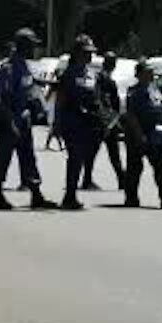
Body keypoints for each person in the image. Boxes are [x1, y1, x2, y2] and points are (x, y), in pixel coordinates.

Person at [0, 28, 56, 210]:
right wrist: (11, 121)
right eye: (32, 45)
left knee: (28, 157)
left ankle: (36, 194)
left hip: (23, 119)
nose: (34, 49)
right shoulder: (8, 67)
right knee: (3, 157)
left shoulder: (25, 66)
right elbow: (5, 96)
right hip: (9, 119)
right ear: (23, 46)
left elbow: (28, 87)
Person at [54, 35, 104, 210]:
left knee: (81, 158)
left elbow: (96, 98)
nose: (89, 56)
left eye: (91, 53)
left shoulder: (91, 74)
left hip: (88, 123)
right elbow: (61, 98)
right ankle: (70, 195)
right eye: (85, 53)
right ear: (77, 53)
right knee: (74, 157)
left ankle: (72, 192)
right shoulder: (69, 73)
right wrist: (57, 123)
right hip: (72, 120)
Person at [122, 61, 162, 209]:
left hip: (155, 134)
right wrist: (139, 134)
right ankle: (131, 197)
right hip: (138, 133)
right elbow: (131, 115)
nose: (151, 74)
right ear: (140, 74)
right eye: (148, 72)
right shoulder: (134, 91)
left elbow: (158, 110)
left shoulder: (154, 89)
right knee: (135, 167)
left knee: (161, 165)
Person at [83, 52, 125, 190]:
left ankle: (87, 179)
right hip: (107, 121)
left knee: (92, 153)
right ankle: (122, 180)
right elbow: (115, 105)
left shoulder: (96, 79)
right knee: (114, 154)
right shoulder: (110, 82)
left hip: (97, 120)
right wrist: (112, 123)